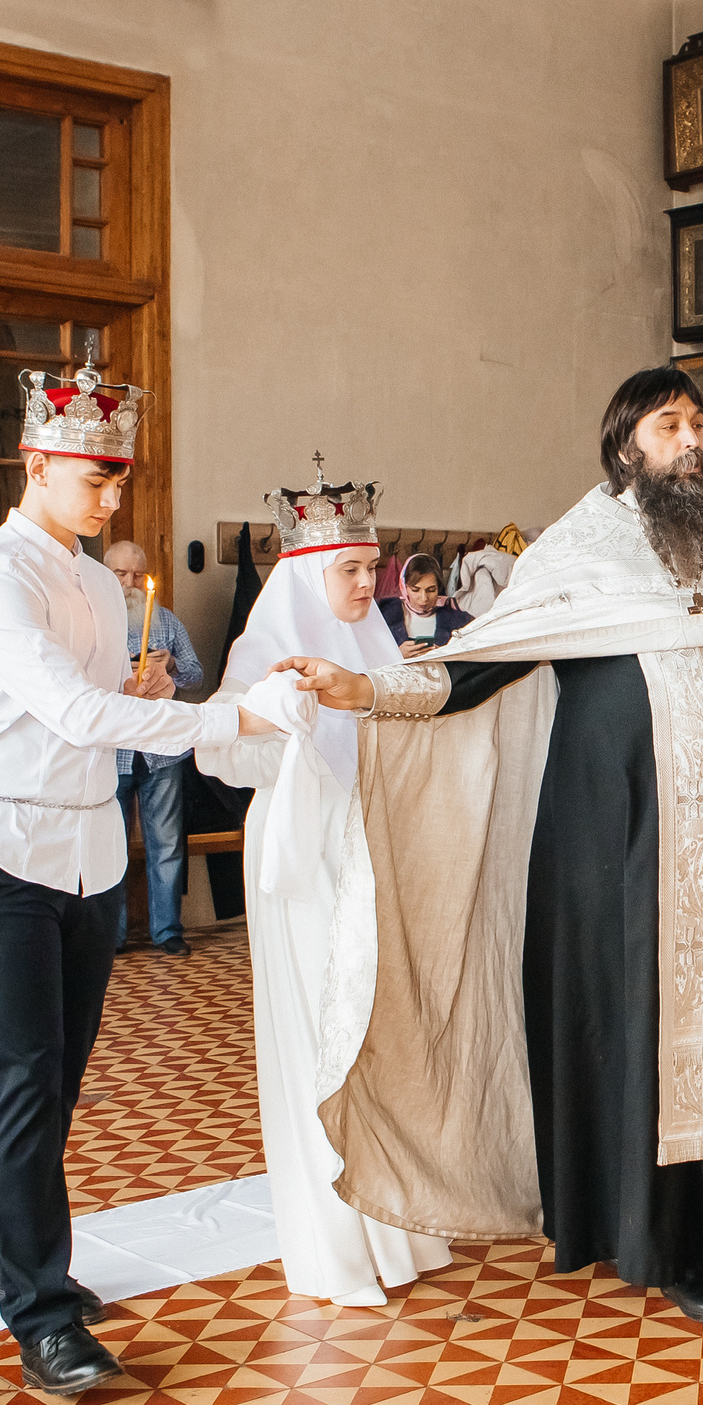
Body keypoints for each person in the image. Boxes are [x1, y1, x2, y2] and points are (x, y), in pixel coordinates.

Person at [272, 367, 703, 1328]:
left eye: (698, 423)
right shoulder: (579, 550)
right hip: (617, 843)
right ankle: (650, 1238)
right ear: (624, 446)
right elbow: (483, 666)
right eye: (669, 423)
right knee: (638, 1028)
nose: (692, 438)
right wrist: (373, 693)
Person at [0, 364, 273, 1396]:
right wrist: (228, 719)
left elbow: (93, 702)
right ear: (34, 462)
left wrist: (144, 685)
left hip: (86, 856)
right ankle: (38, 1311)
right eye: (94, 476)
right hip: (0, 860)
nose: (112, 496)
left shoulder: (90, 578)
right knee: (23, 1084)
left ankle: (44, 1270)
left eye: (120, 480)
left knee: (59, 1080)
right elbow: (74, 720)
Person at [197, 473, 456, 1306]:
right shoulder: (260, 651)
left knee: (380, 1032)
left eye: (370, 568)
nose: (366, 585)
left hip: (370, 851)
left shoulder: (375, 642)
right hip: (303, 857)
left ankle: (396, 1219)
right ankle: (335, 1234)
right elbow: (219, 756)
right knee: (321, 1036)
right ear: (309, 573)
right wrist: (279, 718)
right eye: (348, 571)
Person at [103, 541, 204, 956]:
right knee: (111, 847)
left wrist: (173, 666)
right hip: (115, 749)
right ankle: (113, 934)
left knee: (167, 843)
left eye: (135, 574)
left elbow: (197, 676)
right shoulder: (97, 621)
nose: (128, 583)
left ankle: (167, 930)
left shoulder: (166, 622)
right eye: (119, 574)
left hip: (162, 750)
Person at [378, 553, 473, 656]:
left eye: (431, 590)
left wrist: (447, 655)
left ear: (439, 588)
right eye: (415, 590)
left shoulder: (458, 618)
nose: (424, 598)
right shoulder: (383, 616)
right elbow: (368, 658)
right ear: (404, 587)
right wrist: (395, 655)